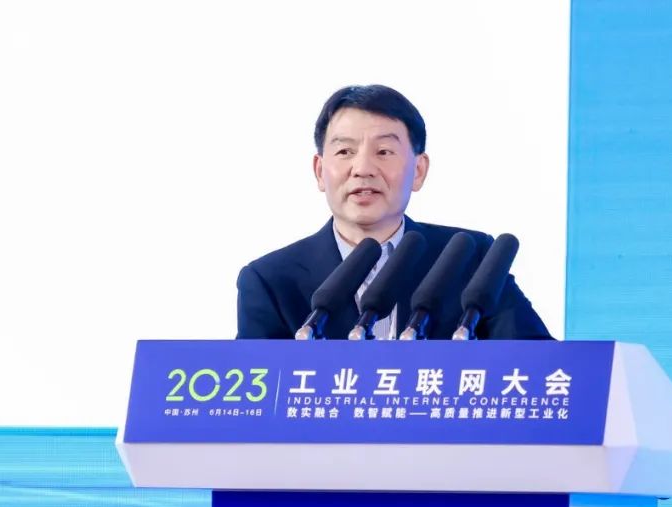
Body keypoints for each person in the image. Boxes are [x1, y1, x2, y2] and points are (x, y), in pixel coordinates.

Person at [236, 84, 550, 340]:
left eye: (384, 151)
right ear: (320, 171)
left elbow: (540, 366)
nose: (362, 168)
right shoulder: (270, 280)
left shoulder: (470, 258)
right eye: (345, 151)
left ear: (419, 170)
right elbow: (257, 388)